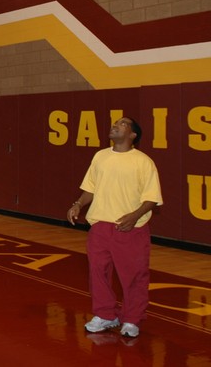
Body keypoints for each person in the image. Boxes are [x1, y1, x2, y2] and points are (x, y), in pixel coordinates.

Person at [67, 117, 163, 339]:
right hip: (100, 226)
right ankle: (106, 315)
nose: (115, 125)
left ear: (132, 135)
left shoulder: (143, 161)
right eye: (115, 122)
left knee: (133, 276)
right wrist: (78, 204)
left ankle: (132, 319)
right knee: (98, 273)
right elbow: (90, 188)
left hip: (130, 229)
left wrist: (134, 216)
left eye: (123, 123)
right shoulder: (100, 156)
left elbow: (152, 198)